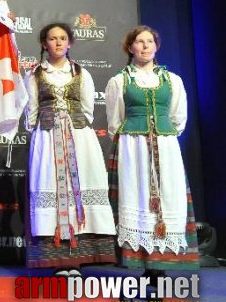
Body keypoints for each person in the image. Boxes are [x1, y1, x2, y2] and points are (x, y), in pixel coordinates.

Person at [23, 23, 116, 276]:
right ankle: (56, 261)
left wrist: (71, 125)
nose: (58, 43)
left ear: (70, 43)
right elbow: (31, 111)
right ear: (44, 44)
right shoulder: (34, 74)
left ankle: (77, 260)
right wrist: (41, 135)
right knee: (52, 190)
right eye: (52, 39)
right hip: (48, 137)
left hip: (79, 138)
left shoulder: (81, 73)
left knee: (79, 192)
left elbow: (87, 109)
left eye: (63, 38)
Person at [105, 25, 199, 273]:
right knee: (136, 195)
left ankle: (161, 260)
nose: (145, 46)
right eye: (139, 41)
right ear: (130, 47)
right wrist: (133, 139)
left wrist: (163, 137)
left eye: (150, 41)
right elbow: (115, 121)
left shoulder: (172, 80)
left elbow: (179, 118)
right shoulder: (120, 80)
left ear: (157, 46)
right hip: (132, 146)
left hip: (165, 146)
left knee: (167, 196)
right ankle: (137, 256)